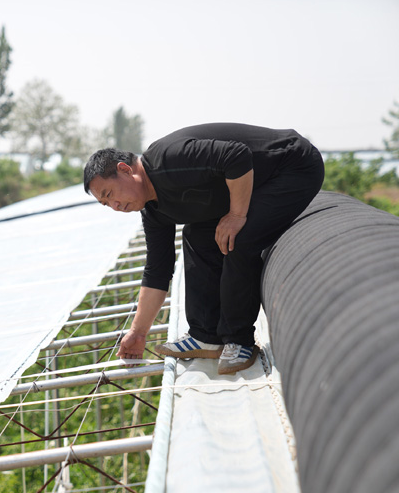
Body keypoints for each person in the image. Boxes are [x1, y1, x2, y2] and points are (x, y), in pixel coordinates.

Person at [83, 123, 325, 374]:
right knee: (196, 235)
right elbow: (157, 270)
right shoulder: (154, 211)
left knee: (239, 238)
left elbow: (237, 155)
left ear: (124, 170)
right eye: (105, 203)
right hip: (257, 182)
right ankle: (206, 336)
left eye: (110, 193)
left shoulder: (168, 160)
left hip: (293, 167)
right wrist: (138, 333)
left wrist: (236, 214)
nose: (114, 205)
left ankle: (240, 340)